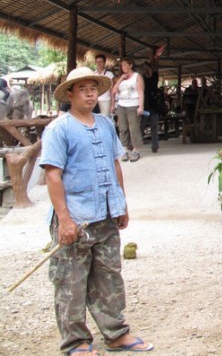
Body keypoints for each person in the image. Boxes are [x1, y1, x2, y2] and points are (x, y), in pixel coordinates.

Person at [40, 66, 153, 355]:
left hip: (105, 215)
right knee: (71, 282)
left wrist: (121, 203)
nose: (90, 93)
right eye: (83, 89)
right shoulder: (59, 128)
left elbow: (116, 165)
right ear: (70, 94)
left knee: (109, 276)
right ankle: (76, 342)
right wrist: (64, 220)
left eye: (93, 88)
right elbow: (53, 175)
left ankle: (116, 333)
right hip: (76, 219)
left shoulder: (104, 124)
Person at [111, 58, 144, 162]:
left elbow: (140, 92)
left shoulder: (137, 76)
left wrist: (141, 106)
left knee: (134, 128)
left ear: (131, 65)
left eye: (125, 65)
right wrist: (121, 79)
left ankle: (136, 150)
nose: (123, 67)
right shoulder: (121, 78)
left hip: (133, 104)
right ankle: (124, 149)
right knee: (123, 128)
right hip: (121, 105)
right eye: (122, 65)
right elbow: (114, 90)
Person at [139, 59, 162, 154]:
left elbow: (156, 70)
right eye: (144, 68)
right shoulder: (141, 79)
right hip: (144, 106)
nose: (146, 70)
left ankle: (155, 146)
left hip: (154, 107)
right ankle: (136, 146)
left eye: (147, 68)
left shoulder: (154, 77)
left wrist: (155, 58)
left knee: (154, 127)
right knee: (141, 127)